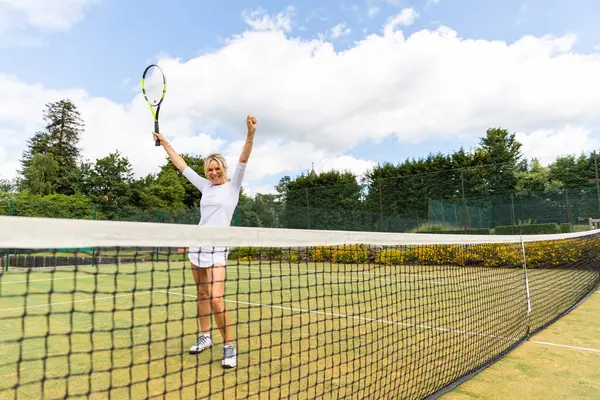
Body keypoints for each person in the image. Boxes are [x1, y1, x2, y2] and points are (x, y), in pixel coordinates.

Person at [152, 114, 257, 369]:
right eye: (209, 169)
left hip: (218, 249)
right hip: (197, 246)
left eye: (216, 168)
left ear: (224, 168)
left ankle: (229, 346)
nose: (213, 172)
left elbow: (243, 159)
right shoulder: (204, 187)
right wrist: (165, 142)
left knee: (216, 298)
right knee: (201, 293)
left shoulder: (233, 187)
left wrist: (250, 133)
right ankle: (204, 336)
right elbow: (181, 165)